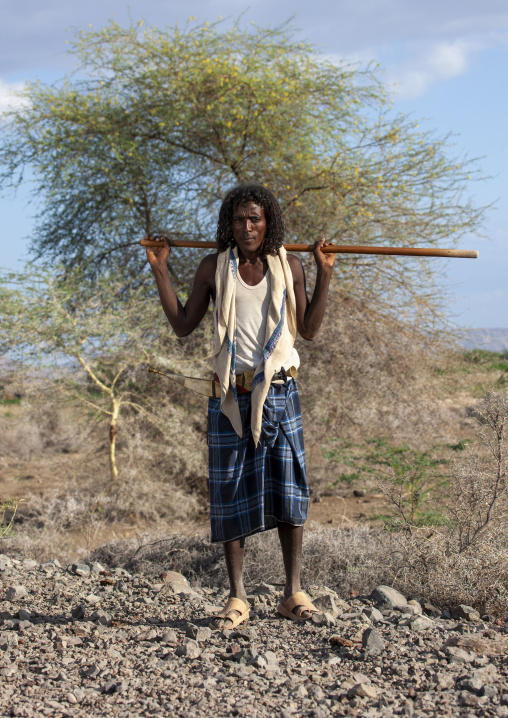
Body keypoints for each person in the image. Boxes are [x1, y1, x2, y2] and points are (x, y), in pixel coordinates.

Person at [147, 183, 335, 629]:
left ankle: (293, 593)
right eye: (238, 220)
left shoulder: (289, 266)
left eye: (255, 219)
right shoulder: (215, 267)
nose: (247, 227)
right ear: (228, 225)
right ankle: (237, 597)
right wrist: (160, 270)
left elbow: (307, 329)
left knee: (290, 490)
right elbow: (182, 325)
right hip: (231, 394)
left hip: (281, 391)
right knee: (230, 494)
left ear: (268, 222)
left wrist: (324, 271)